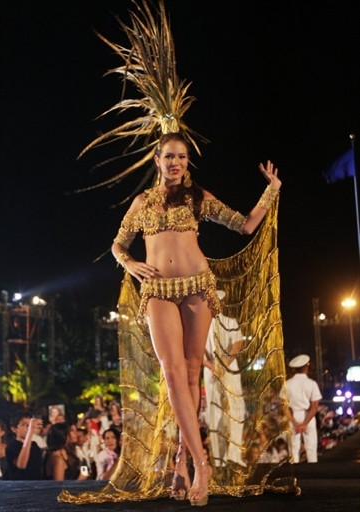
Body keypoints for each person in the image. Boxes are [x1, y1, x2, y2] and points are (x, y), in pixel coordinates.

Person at [111, 130, 281, 505]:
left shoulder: (198, 198)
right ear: (157, 160)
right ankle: (203, 464)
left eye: (182, 158)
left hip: (198, 288)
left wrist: (272, 190)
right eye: (169, 156)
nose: (176, 163)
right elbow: (118, 243)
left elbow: (245, 225)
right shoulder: (142, 203)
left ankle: (182, 462)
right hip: (157, 291)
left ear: (187, 163)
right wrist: (131, 263)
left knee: (190, 375)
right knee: (172, 373)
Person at [203, 289, 246, 467]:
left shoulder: (201, 326)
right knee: (232, 410)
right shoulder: (228, 321)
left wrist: (214, 366)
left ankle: (223, 457)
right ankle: (230, 456)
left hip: (215, 369)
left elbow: (237, 343)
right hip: (225, 369)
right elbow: (238, 344)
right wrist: (222, 365)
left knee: (217, 412)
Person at [279, 354, 322, 463]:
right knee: (311, 449)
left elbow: (284, 408)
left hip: (293, 416)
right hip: (309, 416)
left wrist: (295, 423)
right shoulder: (312, 384)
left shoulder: (287, 384)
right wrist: (305, 423)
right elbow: (315, 406)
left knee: (293, 450)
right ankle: (313, 475)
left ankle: (295, 476)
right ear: (306, 367)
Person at [5, 410, 43, 480]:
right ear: (14, 429)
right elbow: (21, 466)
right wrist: (30, 432)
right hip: (20, 487)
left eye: (30, 425)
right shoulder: (11, 447)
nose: (29, 428)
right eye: (24, 425)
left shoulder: (34, 446)